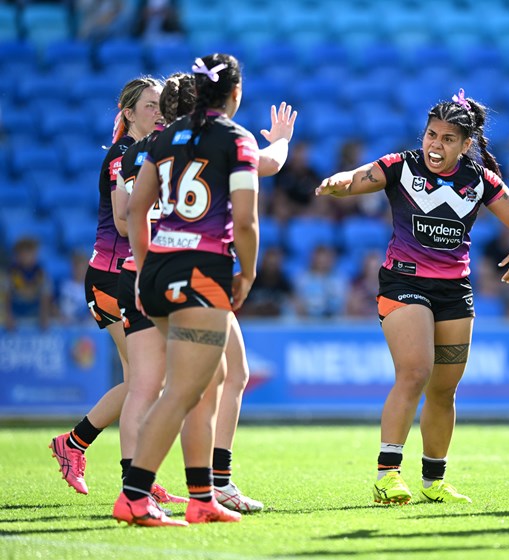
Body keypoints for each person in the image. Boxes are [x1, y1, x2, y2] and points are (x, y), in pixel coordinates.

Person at [316, 88, 509, 505]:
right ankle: (387, 475)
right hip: (404, 282)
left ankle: (434, 481)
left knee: (443, 390)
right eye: (431, 135)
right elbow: (360, 177)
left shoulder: (481, 180)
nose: (436, 145)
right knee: (415, 372)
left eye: (448, 139)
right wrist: (340, 183)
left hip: (455, 290)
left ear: (466, 145)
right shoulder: (401, 165)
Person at [114, 72, 294, 514]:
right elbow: (266, 171)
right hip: (198, 272)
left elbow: (127, 214)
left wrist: (143, 267)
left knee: (207, 381)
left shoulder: (143, 151)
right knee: (187, 388)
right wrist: (284, 139)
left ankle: (202, 494)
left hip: (152, 270)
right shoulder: (223, 139)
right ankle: (144, 491)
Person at [49, 76, 162, 496]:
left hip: (127, 275)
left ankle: (134, 477)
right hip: (112, 277)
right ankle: (84, 449)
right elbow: (122, 219)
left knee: (144, 380)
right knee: (145, 380)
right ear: (129, 113)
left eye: (161, 105)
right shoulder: (124, 156)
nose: (158, 112)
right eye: (149, 105)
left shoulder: (148, 153)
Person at [3, 237, 52, 331]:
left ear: (35, 255)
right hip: (16, 312)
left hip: (35, 312)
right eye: (23, 254)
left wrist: (44, 315)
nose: (26, 257)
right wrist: (8, 316)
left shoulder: (40, 273)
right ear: (17, 256)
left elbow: (45, 296)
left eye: (29, 254)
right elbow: (6, 295)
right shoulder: (12, 273)